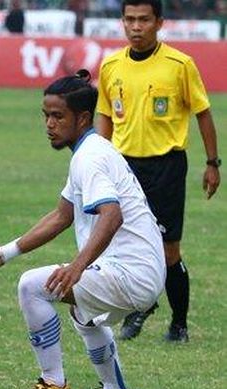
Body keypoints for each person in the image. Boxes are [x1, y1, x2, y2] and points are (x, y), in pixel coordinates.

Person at [0, 71, 165, 389]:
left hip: (131, 273)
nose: (49, 124)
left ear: (83, 118)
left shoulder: (89, 158)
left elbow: (111, 215)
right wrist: (7, 251)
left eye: (58, 116)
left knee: (33, 286)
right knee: (81, 312)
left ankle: (53, 385)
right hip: (140, 271)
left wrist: (77, 267)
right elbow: (62, 215)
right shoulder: (90, 151)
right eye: (45, 115)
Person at [96, 0, 220, 342]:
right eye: (130, 20)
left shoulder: (180, 65)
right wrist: (99, 161)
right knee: (124, 245)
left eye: (144, 20)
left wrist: (213, 163)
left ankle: (179, 324)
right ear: (122, 22)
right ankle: (139, 307)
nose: (136, 27)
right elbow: (105, 115)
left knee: (168, 251)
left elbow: (203, 113)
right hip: (124, 166)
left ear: (159, 22)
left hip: (166, 165)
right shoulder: (110, 65)